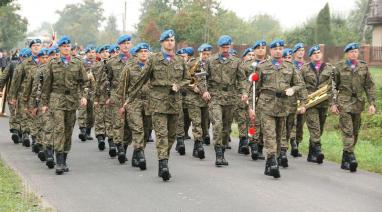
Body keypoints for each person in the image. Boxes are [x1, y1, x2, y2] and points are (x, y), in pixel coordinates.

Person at [127, 29, 189, 181]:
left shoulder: (180, 61)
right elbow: (141, 79)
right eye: (167, 40)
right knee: (161, 134)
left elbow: (187, 79)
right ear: (162, 43)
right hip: (158, 102)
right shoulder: (153, 59)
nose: (170, 43)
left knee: (172, 135)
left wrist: (179, 85)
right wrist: (129, 100)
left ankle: (164, 158)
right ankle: (163, 165)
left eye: (172, 40)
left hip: (174, 103)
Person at [255, 39, 306, 178]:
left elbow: (300, 84)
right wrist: (252, 106)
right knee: (270, 134)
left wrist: (292, 89)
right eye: (275, 49)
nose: (278, 51)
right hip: (266, 105)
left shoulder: (290, 66)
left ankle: (270, 162)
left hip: (283, 106)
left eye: (281, 48)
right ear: (270, 51)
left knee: (278, 135)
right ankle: (272, 161)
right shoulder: (262, 66)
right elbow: (255, 88)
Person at [41, 36, 89, 175]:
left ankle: (64, 158)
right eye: (64, 46)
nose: (66, 48)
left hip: (72, 100)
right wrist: (44, 103)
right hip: (56, 98)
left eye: (68, 46)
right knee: (59, 129)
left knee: (68, 130)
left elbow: (85, 82)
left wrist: (84, 96)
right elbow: (46, 85)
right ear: (60, 48)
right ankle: (59, 162)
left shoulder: (77, 63)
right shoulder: (52, 63)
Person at [200, 35, 248, 167]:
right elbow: (201, 77)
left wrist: (244, 92)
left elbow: (242, 79)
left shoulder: (236, 61)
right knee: (217, 124)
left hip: (230, 97)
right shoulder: (210, 61)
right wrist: (204, 90)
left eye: (228, 47)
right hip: (214, 96)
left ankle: (223, 148)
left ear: (230, 46)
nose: (226, 49)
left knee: (226, 128)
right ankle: (218, 154)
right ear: (219, 47)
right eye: (223, 47)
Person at [331, 43, 376, 172]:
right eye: (351, 52)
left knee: (355, 132)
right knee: (348, 131)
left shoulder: (363, 66)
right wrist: (333, 103)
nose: (354, 54)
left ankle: (345, 157)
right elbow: (333, 86)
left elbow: (369, 86)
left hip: (358, 103)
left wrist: (372, 103)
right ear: (347, 53)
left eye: (356, 51)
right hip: (344, 102)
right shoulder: (339, 67)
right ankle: (351, 156)